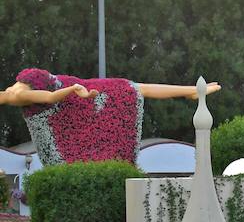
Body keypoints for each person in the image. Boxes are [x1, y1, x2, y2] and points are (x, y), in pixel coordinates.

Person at [2, 69, 221, 165]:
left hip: (76, 88)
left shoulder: (16, 93)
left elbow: (49, 97)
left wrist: (75, 89)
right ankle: (190, 90)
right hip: (75, 91)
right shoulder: (15, 94)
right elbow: (49, 98)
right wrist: (74, 90)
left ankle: (191, 90)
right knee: (134, 88)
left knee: (133, 88)